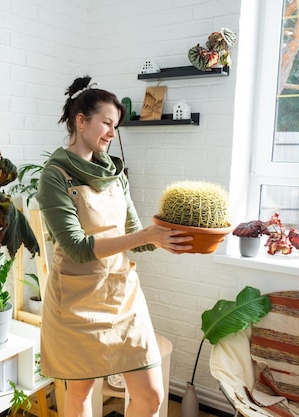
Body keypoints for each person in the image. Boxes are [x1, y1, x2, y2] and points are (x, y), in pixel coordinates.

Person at [36, 76, 193, 417]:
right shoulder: (54, 176)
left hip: (123, 295)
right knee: (79, 394)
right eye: (106, 122)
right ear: (81, 121)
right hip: (77, 300)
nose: (111, 132)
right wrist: (145, 236)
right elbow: (77, 247)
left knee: (151, 395)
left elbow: (136, 233)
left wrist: (175, 235)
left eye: (115, 126)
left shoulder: (115, 174)